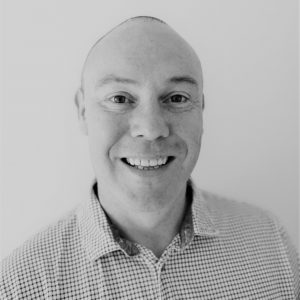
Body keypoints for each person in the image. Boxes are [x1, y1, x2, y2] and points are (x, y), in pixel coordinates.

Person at [1, 16, 299, 299]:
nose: (152, 128)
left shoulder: (271, 242)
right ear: (82, 111)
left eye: (177, 98)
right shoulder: (19, 285)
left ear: (201, 110)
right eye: (120, 99)